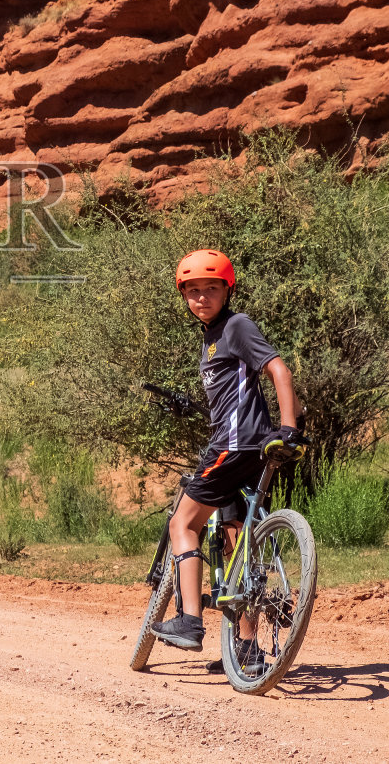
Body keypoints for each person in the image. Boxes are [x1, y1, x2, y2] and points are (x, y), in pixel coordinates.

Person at [150, 249, 301, 669]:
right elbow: (236, 396)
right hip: (249, 446)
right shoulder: (213, 335)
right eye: (193, 291)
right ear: (183, 296)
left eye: (211, 289)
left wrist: (288, 428)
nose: (201, 297)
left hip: (235, 446)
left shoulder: (235, 326)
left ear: (227, 289)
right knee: (239, 542)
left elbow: (278, 370)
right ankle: (249, 651)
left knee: (183, 522)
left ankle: (189, 621)